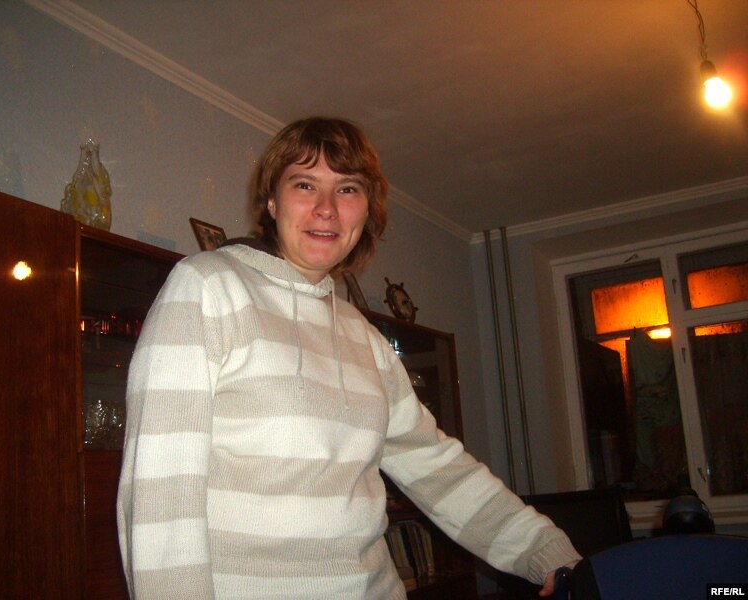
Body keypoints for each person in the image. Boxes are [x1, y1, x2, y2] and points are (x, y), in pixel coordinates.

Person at [116, 117, 580, 599]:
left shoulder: (365, 338)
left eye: (348, 189)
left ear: (366, 209)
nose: (326, 208)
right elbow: (159, 490)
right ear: (271, 202)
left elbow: (437, 468)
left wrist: (549, 554)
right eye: (304, 184)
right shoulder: (207, 286)